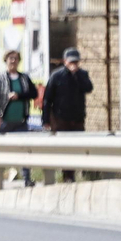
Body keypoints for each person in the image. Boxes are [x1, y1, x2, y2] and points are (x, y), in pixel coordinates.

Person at [43, 47, 94, 182]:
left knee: (77, 148)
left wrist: (77, 76)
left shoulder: (82, 74)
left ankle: (76, 173)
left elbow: (88, 88)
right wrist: (46, 120)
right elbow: (47, 99)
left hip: (77, 119)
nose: (73, 65)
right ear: (65, 61)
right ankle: (67, 176)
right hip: (61, 119)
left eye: (76, 62)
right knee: (65, 148)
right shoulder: (56, 76)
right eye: (71, 62)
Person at [0, 49, 37, 187]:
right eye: (11, 58)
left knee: (24, 150)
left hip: (20, 122)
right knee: (0, 152)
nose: (13, 61)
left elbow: (33, 93)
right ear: (6, 60)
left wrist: (19, 96)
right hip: (3, 122)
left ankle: (27, 179)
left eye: (16, 58)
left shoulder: (24, 78)